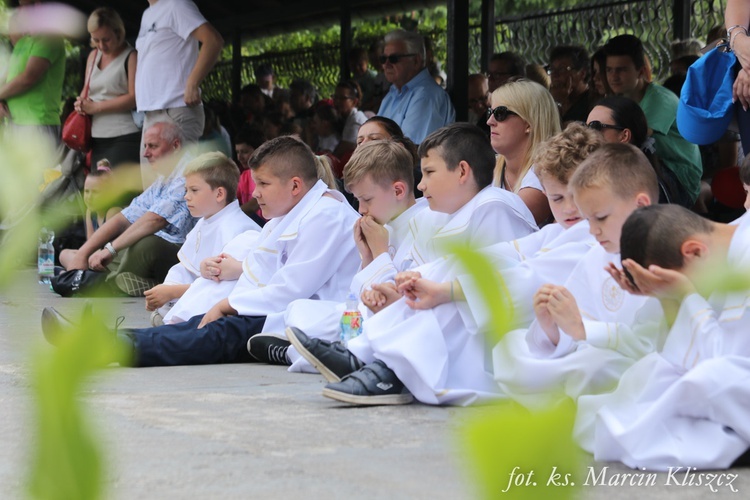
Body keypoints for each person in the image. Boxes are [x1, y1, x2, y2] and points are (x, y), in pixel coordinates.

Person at [42, 135, 361, 368]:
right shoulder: (290, 213)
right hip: (277, 310)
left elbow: (291, 287)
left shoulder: (326, 215)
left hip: (314, 322)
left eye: (263, 184)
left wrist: (225, 304)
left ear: (294, 186)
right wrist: (222, 299)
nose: (255, 193)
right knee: (199, 327)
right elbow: (258, 269)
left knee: (218, 332)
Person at [285, 123, 539, 405]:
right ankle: (368, 357)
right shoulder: (441, 216)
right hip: (448, 320)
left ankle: (377, 365)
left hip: (482, 338)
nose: (421, 184)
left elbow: (500, 290)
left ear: (463, 172)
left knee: (446, 275)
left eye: (429, 173)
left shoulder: (493, 206)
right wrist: (385, 280)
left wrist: (395, 274)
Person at [575, 204, 750, 471]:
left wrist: (686, 295)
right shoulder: (726, 250)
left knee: (709, 379)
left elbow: (725, 359)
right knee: (651, 371)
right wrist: (666, 296)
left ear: (694, 251)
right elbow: (680, 350)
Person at [492, 142, 664, 410]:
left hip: (632, 364)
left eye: (600, 218)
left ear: (640, 204)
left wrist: (587, 331)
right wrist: (551, 327)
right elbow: (576, 322)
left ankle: (572, 407)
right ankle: (570, 401)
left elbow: (654, 346)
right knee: (509, 346)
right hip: (588, 353)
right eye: (589, 221)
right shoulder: (599, 254)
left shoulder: (665, 256)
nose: (592, 231)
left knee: (597, 367)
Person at [248, 139, 427, 366]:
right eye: (358, 200)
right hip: (366, 312)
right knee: (300, 308)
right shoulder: (384, 227)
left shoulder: (424, 225)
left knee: (348, 321)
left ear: (398, 190)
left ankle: (299, 353)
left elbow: (403, 299)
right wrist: (368, 258)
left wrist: (380, 254)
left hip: (400, 319)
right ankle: (306, 350)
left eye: (367, 200)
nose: (361, 209)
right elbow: (357, 294)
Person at [62, 122, 194, 296]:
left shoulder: (188, 171)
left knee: (146, 243)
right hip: (146, 255)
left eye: (153, 146)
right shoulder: (165, 177)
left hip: (184, 255)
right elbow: (126, 216)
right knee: (79, 253)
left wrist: (109, 250)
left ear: (176, 145)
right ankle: (140, 282)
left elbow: (155, 220)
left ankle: (106, 281)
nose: (146, 153)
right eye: (145, 146)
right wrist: (84, 254)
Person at [144, 152, 260, 326]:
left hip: (221, 303)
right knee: (177, 271)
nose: (186, 196)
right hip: (193, 293)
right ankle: (172, 311)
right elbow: (186, 268)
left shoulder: (238, 229)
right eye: (186, 190)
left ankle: (177, 316)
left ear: (219, 194)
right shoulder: (206, 221)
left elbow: (220, 287)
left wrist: (172, 292)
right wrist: (166, 291)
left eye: (194, 190)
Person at [603, 34, 702, 205]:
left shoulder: (660, 99)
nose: (613, 76)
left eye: (622, 69)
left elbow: (635, 139)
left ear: (640, 71)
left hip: (679, 180)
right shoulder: (623, 100)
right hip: (652, 171)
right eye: (609, 70)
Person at [136, 0, 223, 188]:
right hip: (151, 114)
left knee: (177, 193)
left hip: (175, 109)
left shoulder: (177, 5)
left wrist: (193, 83)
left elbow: (213, 40)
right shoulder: (148, 13)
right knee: (151, 194)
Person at [586, 95, 686, 206]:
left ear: (624, 136)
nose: (587, 136)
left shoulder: (641, 184)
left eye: (595, 127)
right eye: (586, 128)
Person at [75, 7, 140, 169]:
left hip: (124, 135)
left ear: (118, 33)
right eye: (96, 40)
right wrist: (80, 104)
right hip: (96, 137)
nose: (101, 46)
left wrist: (96, 107)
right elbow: (86, 91)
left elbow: (134, 98)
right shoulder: (93, 55)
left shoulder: (131, 56)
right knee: (99, 191)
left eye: (106, 39)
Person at [488, 79, 560, 225]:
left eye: (500, 113)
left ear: (529, 124)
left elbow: (501, 225)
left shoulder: (546, 171)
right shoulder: (490, 166)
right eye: (490, 112)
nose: (490, 121)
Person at [0, 1, 65, 145]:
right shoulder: (23, 43)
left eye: (24, 6)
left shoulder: (50, 37)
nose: (20, 11)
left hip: (38, 124)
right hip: (15, 122)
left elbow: (28, 78)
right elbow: (9, 79)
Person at [377, 29, 455, 144]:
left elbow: (410, 150)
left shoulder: (427, 95)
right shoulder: (391, 95)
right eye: (383, 59)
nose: (386, 65)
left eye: (394, 59)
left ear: (416, 61)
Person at [59, 160, 122, 269]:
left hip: (111, 261)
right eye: (87, 191)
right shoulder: (90, 212)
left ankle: (73, 275)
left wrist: (84, 257)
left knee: (77, 260)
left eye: (96, 192)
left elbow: (108, 250)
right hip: (95, 257)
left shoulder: (113, 212)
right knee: (63, 254)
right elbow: (90, 243)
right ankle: (76, 273)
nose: (89, 197)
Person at [548, 45, 591, 124]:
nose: (555, 75)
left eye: (562, 69)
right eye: (552, 69)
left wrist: (559, 103)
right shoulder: (552, 99)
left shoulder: (591, 102)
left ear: (582, 73)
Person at [234, 127, 267, 223]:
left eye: (244, 152)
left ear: (259, 150)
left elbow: (253, 206)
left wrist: (230, 216)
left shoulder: (270, 175)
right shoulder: (244, 176)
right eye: (237, 152)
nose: (239, 157)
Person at [332, 80, 368, 158]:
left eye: (342, 98)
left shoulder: (356, 120)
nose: (337, 101)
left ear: (354, 102)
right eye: (335, 97)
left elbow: (339, 153)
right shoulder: (344, 118)